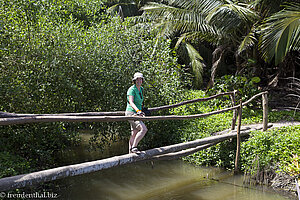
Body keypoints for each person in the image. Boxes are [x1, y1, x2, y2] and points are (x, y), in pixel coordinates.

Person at [125, 72, 148, 154]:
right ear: (134, 80)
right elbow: (131, 102)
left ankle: (130, 152)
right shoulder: (131, 89)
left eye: (140, 79)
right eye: (137, 79)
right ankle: (134, 147)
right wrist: (138, 111)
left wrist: (142, 110)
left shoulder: (141, 89)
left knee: (134, 132)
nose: (139, 80)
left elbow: (139, 102)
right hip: (131, 113)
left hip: (137, 113)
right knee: (143, 129)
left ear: (142, 80)